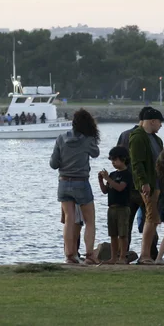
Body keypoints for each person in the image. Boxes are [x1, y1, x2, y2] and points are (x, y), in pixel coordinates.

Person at [50, 108, 100, 264]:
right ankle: (90, 255)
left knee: (69, 220)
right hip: (81, 182)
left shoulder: (60, 139)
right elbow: (96, 153)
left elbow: (53, 164)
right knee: (89, 220)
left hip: (63, 182)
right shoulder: (87, 140)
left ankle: (70, 255)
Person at [117, 106, 156, 260]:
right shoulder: (150, 138)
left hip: (127, 186)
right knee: (150, 220)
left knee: (126, 224)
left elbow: (117, 158)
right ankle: (150, 254)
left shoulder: (124, 135)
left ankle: (123, 255)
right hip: (145, 186)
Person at [129, 108, 164, 264]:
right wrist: (144, 182)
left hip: (158, 184)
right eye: (159, 122)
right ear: (152, 121)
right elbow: (137, 163)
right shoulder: (138, 138)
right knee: (150, 218)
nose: (161, 125)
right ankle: (144, 255)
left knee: (155, 219)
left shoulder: (156, 140)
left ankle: (151, 254)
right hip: (148, 185)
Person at [97, 146, 132, 264]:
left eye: (115, 160)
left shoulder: (127, 174)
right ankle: (113, 257)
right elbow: (105, 190)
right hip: (111, 207)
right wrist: (101, 180)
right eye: (112, 161)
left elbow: (120, 187)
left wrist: (107, 178)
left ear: (123, 159)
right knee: (113, 234)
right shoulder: (112, 174)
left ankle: (122, 256)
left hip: (123, 207)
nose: (113, 163)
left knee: (122, 234)